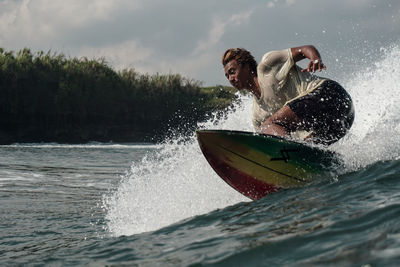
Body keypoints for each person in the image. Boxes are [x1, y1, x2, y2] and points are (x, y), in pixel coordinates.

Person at [222, 45, 354, 145]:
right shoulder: (257, 114)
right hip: (341, 121)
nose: (231, 78)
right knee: (308, 148)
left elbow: (305, 49)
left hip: (331, 95)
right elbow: (266, 143)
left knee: (267, 126)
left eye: (232, 72)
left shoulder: (267, 66)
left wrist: (315, 59)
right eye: (227, 76)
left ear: (247, 67)